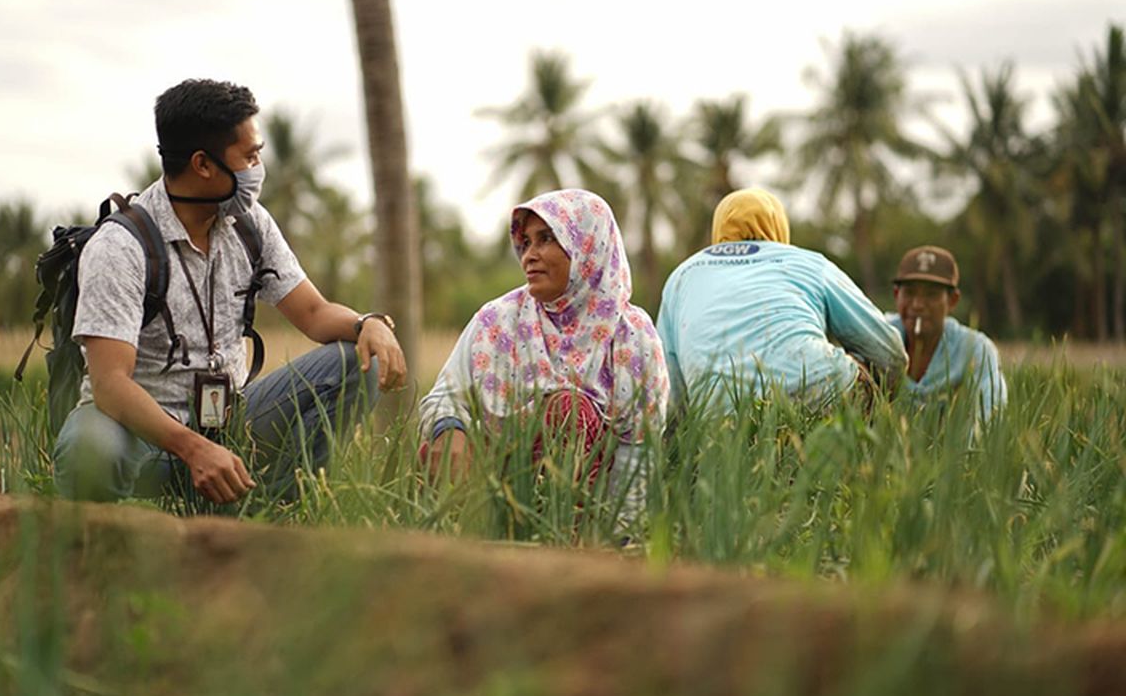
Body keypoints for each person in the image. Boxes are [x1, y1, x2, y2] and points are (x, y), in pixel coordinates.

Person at [54, 78, 407, 504]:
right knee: (89, 446)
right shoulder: (120, 247)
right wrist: (193, 448)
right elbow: (110, 383)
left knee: (354, 361)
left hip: (230, 424)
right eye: (251, 156)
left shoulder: (250, 224)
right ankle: (104, 546)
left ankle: (272, 508)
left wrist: (367, 323)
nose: (258, 168)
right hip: (143, 439)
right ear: (204, 165)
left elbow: (313, 313)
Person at [418, 189, 669, 520]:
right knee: (435, 449)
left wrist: (620, 537)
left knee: (569, 411)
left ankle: (566, 545)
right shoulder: (498, 320)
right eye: (526, 243)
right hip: (497, 490)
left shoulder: (631, 334)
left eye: (546, 239)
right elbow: (444, 396)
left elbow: (638, 452)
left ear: (587, 246)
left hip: (595, 508)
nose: (529, 255)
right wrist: (449, 430)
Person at [657, 187, 906, 414]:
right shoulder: (809, 263)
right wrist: (888, 401)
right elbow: (888, 351)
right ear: (779, 226)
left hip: (721, 420)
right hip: (822, 391)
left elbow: (668, 383)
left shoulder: (683, 275)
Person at [887, 245, 1007, 420]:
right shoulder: (876, 336)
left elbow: (990, 415)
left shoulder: (975, 349)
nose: (918, 305)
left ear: (952, 301)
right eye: (910, 293)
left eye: (931, 295)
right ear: (897, 295)